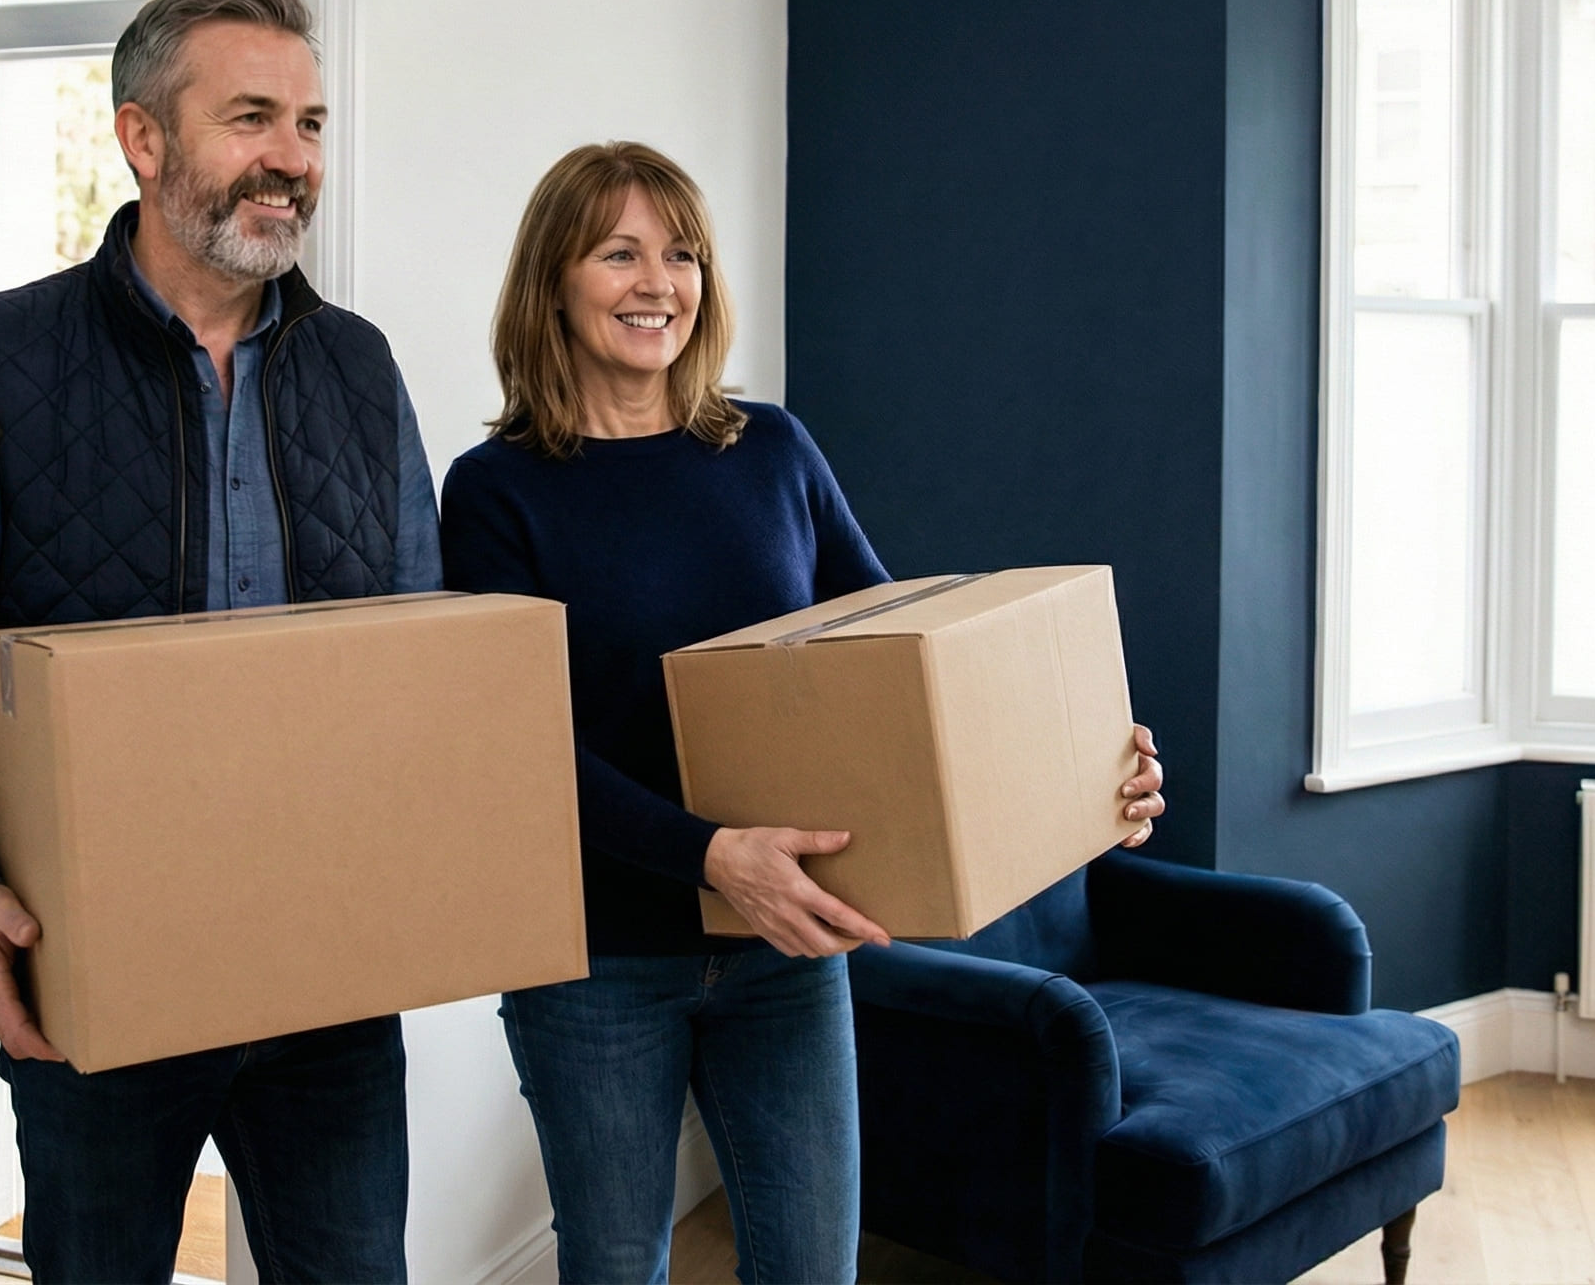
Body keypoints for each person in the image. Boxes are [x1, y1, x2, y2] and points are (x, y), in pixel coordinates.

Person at [440, 142, 1169, 1284]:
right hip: (597, 960)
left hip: (787, 946)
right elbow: (522, 751)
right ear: (553, 280)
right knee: (615, 1265)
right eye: (618, 252)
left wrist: (1087, 770)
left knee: (810, 1266)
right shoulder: (495, 493)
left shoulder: (769, 449)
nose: (657, 282)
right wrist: (710, 857)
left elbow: (898, 670)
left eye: (680, 253)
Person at [0, 0, 435, 1285]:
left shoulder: (362, 370)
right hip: (96, 977)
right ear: (144, 138)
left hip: (328, 981)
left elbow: (422, 673)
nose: (292, 156)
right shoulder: (2, 360)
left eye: (312, 122)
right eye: (250, 117)